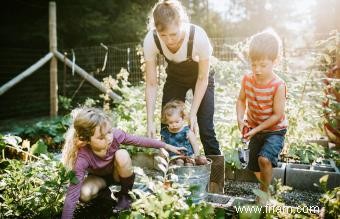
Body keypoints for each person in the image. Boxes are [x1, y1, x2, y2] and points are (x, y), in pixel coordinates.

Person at [61, 107, 185, 219]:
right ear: (86, 140)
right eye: (101, 137)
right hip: (99, 179)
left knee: (122, 154)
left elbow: (139, 140)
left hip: (118, 173)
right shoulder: (83, 157)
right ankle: (106, 197)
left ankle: (125, 196)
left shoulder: (115, 136)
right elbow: (72, 194)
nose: (108, 138)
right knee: (84, 194)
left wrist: (166, 146)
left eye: (109, 132)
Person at [143, 0, 221, 156]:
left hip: (201, 78)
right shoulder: (151, 40)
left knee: (205, 128)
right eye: (163, 35)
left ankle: (216, 176)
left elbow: (202, 78)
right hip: (175, 77)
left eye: (173, 34)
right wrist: (150, 121)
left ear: (182, 24)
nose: (169, 40)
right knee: (167, 124)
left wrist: (192, 113)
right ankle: (173, 171)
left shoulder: (198, 36)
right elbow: (151, 83)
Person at [236, 29, 288, 204]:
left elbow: (277, 115)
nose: (257, 70)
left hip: (274, 130)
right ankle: (267, 189)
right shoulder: (247, 80)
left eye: (263, 65)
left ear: (275, 61)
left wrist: (255, 129)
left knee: (264, 159)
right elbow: (241, 100)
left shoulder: (278, 85)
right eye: (253, 64)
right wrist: (239, 118)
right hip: (255, 129)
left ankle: (263, 195)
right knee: (255, 167)